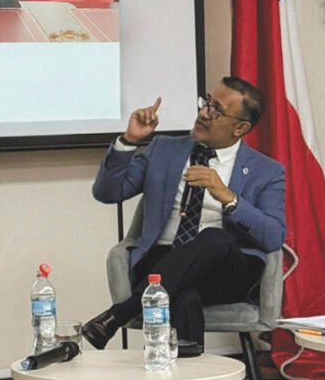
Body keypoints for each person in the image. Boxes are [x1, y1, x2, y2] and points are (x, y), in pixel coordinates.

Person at [81, 77, 286, 349]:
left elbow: (273, 237)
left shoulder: (266, 171)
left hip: (225, 271)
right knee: (184, 296)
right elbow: (107, 193)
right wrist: (128, 141)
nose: (204, 113)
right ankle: (184, 368)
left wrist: (229, 197)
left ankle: (119, 313)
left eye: (217, 110)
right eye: (207, 103)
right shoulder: (163, 149)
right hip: (161, 261)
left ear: (240, 128)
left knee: (215, 238)